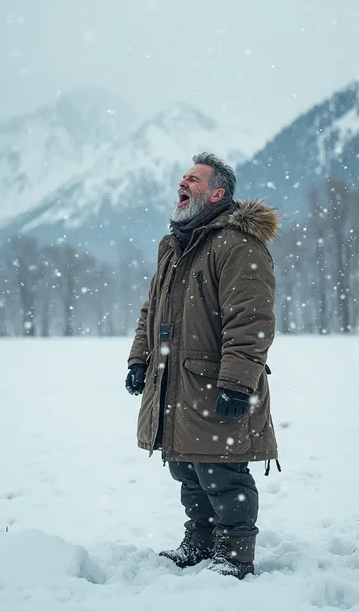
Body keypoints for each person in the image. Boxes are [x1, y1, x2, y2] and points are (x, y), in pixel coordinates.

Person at [125, 152, 279, 579]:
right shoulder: (175, 246)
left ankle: (234, 553)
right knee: (186, 467)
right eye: (183, 177)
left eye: (193, 178)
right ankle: (201, 540)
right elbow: (151, 310)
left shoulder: (237, 244)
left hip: (214, 383)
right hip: (175, 383)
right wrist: (140, 360)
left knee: (222, 472)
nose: (183, 182)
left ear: (216, 193)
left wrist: (237, 382)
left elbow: (251, 320)